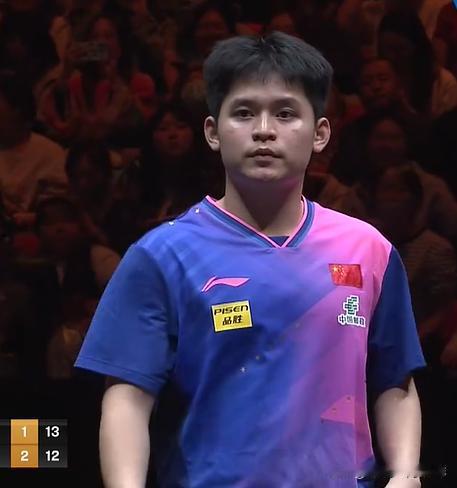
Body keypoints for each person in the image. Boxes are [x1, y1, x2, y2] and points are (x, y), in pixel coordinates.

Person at [75, 32, 425, 487]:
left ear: (320, 133)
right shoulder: (162, 255)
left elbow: (395, 381)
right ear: (212, 132)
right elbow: (127, 396)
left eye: (285, 113)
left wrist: (406, 474)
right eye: (243, 113)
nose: (264, 129)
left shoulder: (369, 249)